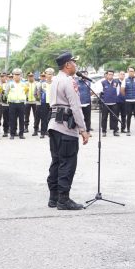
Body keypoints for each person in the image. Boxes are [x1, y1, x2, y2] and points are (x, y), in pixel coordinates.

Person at [47, 52, 89, 210]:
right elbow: (75, 107)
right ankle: (63, 200)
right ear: (68, 65)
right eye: (74, 62)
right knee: (67, 163)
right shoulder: (69, 81)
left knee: (57, 161)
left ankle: (54, 197)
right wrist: (83, 129)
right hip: (66, 127)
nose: (76, 65)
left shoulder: (55, 80)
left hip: (54, 124)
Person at [122, 66, 135, 136]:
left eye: (132, 71)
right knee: (129, 116)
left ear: (134, 72)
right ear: (127, 72)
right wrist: (127, 96)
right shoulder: (125, 80)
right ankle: (128, 130)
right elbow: (122, 90)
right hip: (128, 101)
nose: (131, 72)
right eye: (130, 71)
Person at [6, 68, 27, 139]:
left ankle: (21, 134)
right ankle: (12, 134)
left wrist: (23, 99)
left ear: (20, 75)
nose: (17, 76)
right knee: (12, 119)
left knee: (21, 119)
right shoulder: (10, 84)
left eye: (18, 75)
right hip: (12, 103)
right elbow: (6, 93)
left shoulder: (24, 84)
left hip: (21, 103)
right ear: (13, 75)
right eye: (15, 74)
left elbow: (26, 92)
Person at [99, 70, 121, 137]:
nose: (110, 75)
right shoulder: (103, 83)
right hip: (105, 103)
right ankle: (104, 131)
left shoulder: (116, 83)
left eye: (111, 74)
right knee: (104, 118)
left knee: (115, 117)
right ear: (107, 75)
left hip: (114, 103)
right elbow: (100, 92)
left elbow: (118, 92)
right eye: (109, 74)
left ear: (113, 75)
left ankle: (115, 131)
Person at [39, 68, 54, 138]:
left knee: (51, 118)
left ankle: (49, 132)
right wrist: (40, 99)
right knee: (43, 118)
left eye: (51, 74)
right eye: (48, 74)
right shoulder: (42, 84)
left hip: (53, 103)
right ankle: (42, 132)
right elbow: (37, 93)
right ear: (45, 75)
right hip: (44, 103)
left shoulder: (55, 83)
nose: (49, 75)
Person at [0, 73, 10, 137]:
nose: (2, 77)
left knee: (6, 118)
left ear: (6, 77)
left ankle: (6, 131)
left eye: (4, 76)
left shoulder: (8, 84)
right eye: (1, 76)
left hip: (6, 104)